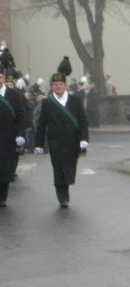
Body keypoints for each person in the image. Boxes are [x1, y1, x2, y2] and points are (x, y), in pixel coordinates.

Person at [35, 72, 89, 207]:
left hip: (72, 141)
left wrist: (84, 139)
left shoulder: (75, 100)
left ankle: (66, 186)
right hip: (55, 142)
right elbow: (42, 125)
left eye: (61, 84)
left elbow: (82, 121)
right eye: (55, 84)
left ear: (65, 86)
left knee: (70, 167)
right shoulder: (47, 103)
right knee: (58, 168)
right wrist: (39, 144)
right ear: (52, 87)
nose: (58, 87)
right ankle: (62, 197)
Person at [0, 69, 27, 206]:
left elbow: (21, 115)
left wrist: (21, 133)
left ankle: (2, 197)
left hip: (8, 137)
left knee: (5, 168)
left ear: (3, 78)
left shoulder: (14, 95)